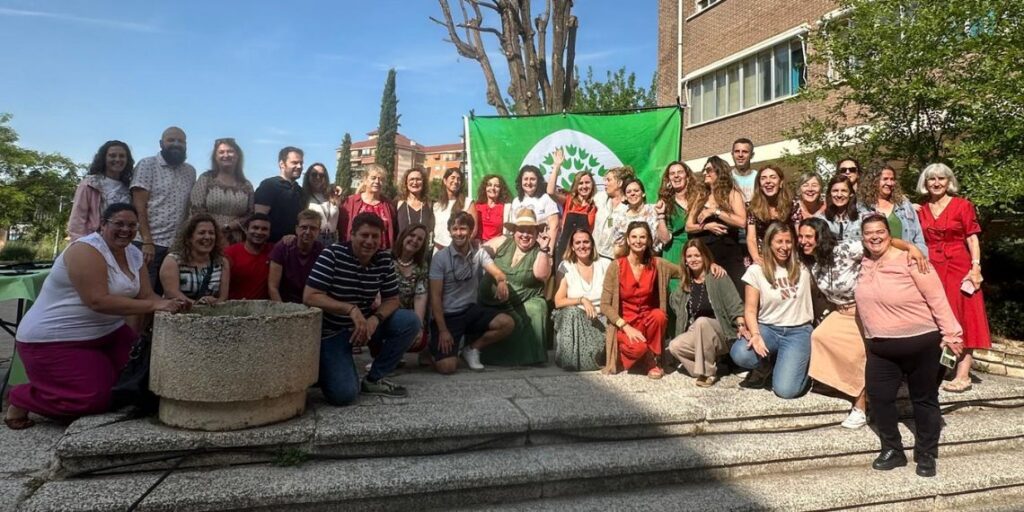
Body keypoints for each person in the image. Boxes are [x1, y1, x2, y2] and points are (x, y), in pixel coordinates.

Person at [5, 204, 185, 429]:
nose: (125, 230)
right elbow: (97, 301)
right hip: (55, 338)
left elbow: (147, 295)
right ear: (103, 224)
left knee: (139, 384)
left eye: (131, 225)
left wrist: (177, 304)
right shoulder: (85, 249)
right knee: (93, 400)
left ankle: (78, 381)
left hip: (108, 333)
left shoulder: (133, 253)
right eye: (118, 223)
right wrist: (157, 305)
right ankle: (22, 396)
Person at [856, 213, 964, 477]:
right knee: (879, 398)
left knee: (924, 400)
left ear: (889, 233)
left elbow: (937, 297)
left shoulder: (912, 261)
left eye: (880, 231)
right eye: (868, 233)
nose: (874, 236)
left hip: (923, 344)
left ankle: (926, 453)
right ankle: (892, 450)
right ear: (862, 237)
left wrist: (952, 335)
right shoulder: (863, 262)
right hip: (881, 348)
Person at [799, 217, 928, 429]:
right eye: (801, 236)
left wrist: (910, 247)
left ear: (820, 237)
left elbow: (882, 242)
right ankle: (841, 383)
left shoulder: (844, 249)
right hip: (841, 312)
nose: (803, 241)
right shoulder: (812, 262)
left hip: (864, 311)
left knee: (858, 354)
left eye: (808, 237)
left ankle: (860, 406)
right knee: (820, 336)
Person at [304, 212, 420, 404]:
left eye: (375, 236)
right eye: (364, 235)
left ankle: (374, 378)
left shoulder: (383, 259)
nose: (369, 241)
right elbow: (310, 296)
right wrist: (350, 309)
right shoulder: (332, 254)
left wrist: (375, 319)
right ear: (352, 234)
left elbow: (392, 299)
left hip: (365, 325)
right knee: (344, 395)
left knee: (410, 321)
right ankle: (327, 368)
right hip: (332, 331)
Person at [917, 163, 991, 392]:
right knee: (937, 317)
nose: (936, 183)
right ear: (925, 183)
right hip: (931, 268)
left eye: (941, 178)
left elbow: (972, 238)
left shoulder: (963, 205)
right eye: (932, 179)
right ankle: (943, 367)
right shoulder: (921, 209)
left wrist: (975, 267)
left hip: (959, 266)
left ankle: (963, 373)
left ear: (949, 182)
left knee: (964, 315)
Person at [729, 222, 813, 399]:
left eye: (788, 242)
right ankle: (768, 365)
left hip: (798, 332)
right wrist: (755, 334)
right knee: (741, 354)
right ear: (769, 243)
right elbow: (750, 310)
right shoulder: (756, 270)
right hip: (769, 329)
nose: (784, 247)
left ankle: (806, 370)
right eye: (779, 242)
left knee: (786, 391)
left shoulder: (803, 265)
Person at [429, 211, 515, 374]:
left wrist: (501, 281)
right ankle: (431, 348)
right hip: (448, 315)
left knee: (507, 323)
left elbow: (497, 272)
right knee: (447, 368)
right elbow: (435, 297)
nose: (458, 233)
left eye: (463, 229)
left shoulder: (478, 253)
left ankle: (472, 349)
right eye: (454, 229)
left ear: (470, 231)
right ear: (449, 231)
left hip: (470, 311)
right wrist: (443, 330)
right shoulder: (440, 258)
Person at [600, 221, 679, 378]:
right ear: (628, 240)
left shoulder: (656, 264)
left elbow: (684, 271)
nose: (638, 241)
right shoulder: (616, 266)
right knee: (637, 348)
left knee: (659, 315)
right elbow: (604, 305)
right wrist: (625, 326)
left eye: (643, 237)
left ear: (649, 240)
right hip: (624, 325)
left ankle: (651, 358)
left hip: (647, 323)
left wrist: (708, 265)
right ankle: (633, 354)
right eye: (634, 237)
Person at [478, 209, 553, 366]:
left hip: (522, 300)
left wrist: (544, 248)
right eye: (521, 230)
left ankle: (525, 358)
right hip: (490, 299)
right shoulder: (502, 242)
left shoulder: (540, 249)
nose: (525, 235)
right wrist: (497, 276)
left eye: (530, 231)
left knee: (536, 307)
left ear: (536, 233)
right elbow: (479, 254)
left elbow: (541, 275)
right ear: (514, 232)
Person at [667, 239, 746, 386]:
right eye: (689, 256)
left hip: (721, 331)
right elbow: (676, 306)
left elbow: (735, 303)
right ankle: (702, 368)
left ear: (704, 256)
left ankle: (708, 373)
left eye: (697, 255)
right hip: (697, 330)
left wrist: (741, 325)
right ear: (685, 260)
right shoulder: (685, 284)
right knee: (674, 346)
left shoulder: (717, 276)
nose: (693, 259)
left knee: (702, 322)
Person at [131, 126, 197, 294]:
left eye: (181, 141)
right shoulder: (147, 164)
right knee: (143, 296)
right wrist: (147, 241)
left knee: (168, 298)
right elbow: (139, 207)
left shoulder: (190, 171)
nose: (176, 144)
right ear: (161, 143)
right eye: (171, 140)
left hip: (175, 247)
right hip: (148, 244)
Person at [686, 156, 748, 294]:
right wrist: (707, 226)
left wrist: (715, 211)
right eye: (704, 170)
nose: (704, 173)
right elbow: (688, 226)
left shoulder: (732, 194)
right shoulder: (701, 197)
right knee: (710, 295)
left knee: (735, 293)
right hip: (707, 254)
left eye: (708, 170)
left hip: (728, 253)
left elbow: (741, 221)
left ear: (719, 172)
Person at [553, 228, 611, 371]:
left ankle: (591, 359)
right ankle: (568, 360)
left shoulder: (605, 264)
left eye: (586, 241)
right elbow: (558, 301)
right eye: (577, 242)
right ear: (572, 246)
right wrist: (582, 300)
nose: (582, 246)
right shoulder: (566, 266)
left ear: (592, 244)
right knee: (571, 312)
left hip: (600, 318)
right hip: (574, 319)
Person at [189, 138, 253, 245]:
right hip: (207, 238)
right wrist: (215, 229)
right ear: (215, 157)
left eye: (230, 151)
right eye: (221, 152)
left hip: (236, 240)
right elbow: (196, 209)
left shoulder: (246, 185)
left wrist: (229, 227)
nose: (226, 155)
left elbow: (250, 214)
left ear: (237, 156)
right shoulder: (206, 179)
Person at [68, 141, 134, 242]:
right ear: (104, 158)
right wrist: (79, 244)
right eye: (112, 155)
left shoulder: (130, 187)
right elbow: (78, 219)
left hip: (122, 244)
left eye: (122, 156)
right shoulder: (90, 184)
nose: (117, 159)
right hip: (94, 242)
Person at [160, 213, 230, 305]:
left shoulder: (222, 262)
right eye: (202, 233)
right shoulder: (173, 261)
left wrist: (214, 305)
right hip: (179, 314)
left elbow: (223, 297)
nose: (207, 237)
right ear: (189, 237)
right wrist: (198, 304)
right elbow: (172, 293)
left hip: (211, 315)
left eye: (211, 233)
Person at [860, 164, 928, 256]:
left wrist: (922, 256)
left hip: (906, 261)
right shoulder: (863, 208)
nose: (890, 183)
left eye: (892, 179)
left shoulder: (904, 205)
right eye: (885, 179)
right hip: (875, 261)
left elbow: (918, 236)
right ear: (873, 181)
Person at [547, 148, 598, 262]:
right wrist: (557, 166)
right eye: (580, 183)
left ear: (592, 185)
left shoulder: (595, 205)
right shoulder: (568, 201)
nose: (584, 186)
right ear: (575, 185)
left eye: (587, 182)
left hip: (584, 251)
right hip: (564, 250)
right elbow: (550, 191)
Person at [269, 210, 324, 304]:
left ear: (319, 231)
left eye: (313, 228)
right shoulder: (282, 248)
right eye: (304, 227)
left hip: (311, 305)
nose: (307, 232)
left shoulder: (322, 252)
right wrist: (283, 312)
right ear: (296, 229)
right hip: (284, 304)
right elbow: (272, 287)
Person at [392, 223, 431, 355]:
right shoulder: (386, 258)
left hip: (408, 317)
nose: (415, 240)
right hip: (386, 314)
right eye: (412, 235)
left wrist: (418, 327)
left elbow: (420, 297)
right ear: (403, 235)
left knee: (420, 340)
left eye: (420, 239)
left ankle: (395, 353)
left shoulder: (421, 266)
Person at [655, 161, 701, 272]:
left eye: (680, 172)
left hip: (697, 250)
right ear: (668, 179)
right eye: (672, 173)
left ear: (688, 176)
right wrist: (661, 215)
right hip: (674, 252)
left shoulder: (699, 198)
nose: (676, 176)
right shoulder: (665, 203)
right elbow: (664, 239)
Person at [340, 164, 398, 250]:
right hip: (354, 252)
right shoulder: (351, 202)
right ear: (365, 180)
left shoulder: (389, 205)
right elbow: (342, 228)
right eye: (373, 178)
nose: (377, 181)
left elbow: (393, 230)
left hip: (381, 254)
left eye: (381, 179)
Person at [254, 146, 305, 243]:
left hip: (294, 247)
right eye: (294, 162)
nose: (299, 166)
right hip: (271, 246)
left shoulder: (300, 190)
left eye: (301, 163)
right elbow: (259, 219)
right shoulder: (269, 186)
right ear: (282, 164)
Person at [746, 166, 793, 266]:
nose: (768, 181)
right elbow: (751, 237)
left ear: (781, 183)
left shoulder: (792, 205)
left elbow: (797, 234)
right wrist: (756, 258)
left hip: (786, 253)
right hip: (762, 255)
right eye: (763, 178)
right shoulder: (752, 207)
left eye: (773, 177)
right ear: (759, 185)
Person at [224, 213, 273, 300]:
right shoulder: (230, 253)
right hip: (233, 308)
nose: (259, 232)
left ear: (269, 233)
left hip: (263, 310)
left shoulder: (274, 252)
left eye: (264, 229)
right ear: (246, 230)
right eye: (255, 228)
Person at [608, 178, 659, 258]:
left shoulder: (654, 211)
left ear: (643, 193)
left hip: (652, 259)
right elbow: (617, 249)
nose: (632, 194)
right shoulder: (620, 217)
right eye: (629, 192)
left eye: (636, 190)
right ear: (625, 196)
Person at [593, 166, 636, 259]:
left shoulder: (628, 206)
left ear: (619, 183)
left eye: (609, 180)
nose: (605, 184)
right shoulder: (600, 198)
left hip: (613, 258)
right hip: (594, 255)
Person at [510, 164, 560, 241]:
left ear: (538, 181)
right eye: (525, 179)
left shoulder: (546, 199)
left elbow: (554, 226)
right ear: (521, 181)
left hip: (541, 245)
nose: (529, 182)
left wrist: (548, 250)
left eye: (532, 179)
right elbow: (513, 228)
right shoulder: (516, 201)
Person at [432, 168, 475, 252]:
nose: (456, 181)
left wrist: (459, 248)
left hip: (460, 251)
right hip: (439, 250)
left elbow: (473, 230)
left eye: (459, 179)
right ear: (445, 181)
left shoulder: (468, 203)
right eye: (453, 177)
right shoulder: (436, 206)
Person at [817, 173, 868, 242]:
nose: (839, 195)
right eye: (835, 191)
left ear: (851, 194)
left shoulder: (863, 216)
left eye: (844, 191)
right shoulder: (822, 220)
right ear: (830, 194)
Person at [302, 162, 341, 246]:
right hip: (313, 239)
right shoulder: (304, 196)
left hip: (333, 239)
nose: (318, 177)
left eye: (321, 175)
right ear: (308, 177)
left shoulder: (332, 195)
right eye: (314, 174)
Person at [396, 168, 435, 246]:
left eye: (418, 179)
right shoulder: (397, 203)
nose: (415, 182)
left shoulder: (431, 205)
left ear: (423, 183)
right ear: (406, 182)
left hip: (423, 254)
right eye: (411, 179)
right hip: (400, 252)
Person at [473, 174, 513, 242]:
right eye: (489, 185)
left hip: (497, 247)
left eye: (496, 186)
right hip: (478, 246)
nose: (492, 188)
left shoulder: (505, 209)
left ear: (501, 189)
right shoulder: (477, 207)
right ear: (485, 188)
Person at [730, 138, 757, 203]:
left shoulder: (759, 177)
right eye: (737, 151)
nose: (740, 155)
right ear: (732, 154)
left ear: (752, 155)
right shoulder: (726, 178)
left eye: (745, 152)